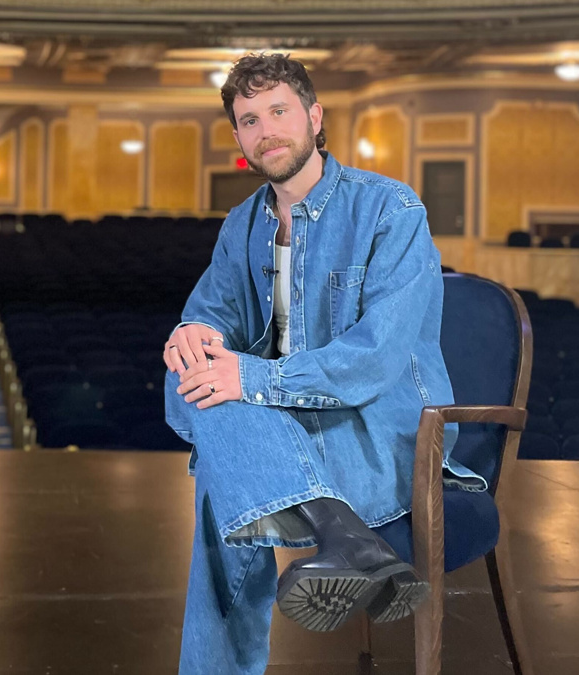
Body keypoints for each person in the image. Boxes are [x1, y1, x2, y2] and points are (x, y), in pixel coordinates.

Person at [161, 53, 485, 674]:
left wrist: (250, 379)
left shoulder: (391, 209)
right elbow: (209, 311)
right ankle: (344, 535)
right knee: (190, 380)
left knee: (222, 455)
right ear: (237, 138)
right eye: (249, 120)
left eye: (279, 111)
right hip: (285, 430)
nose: (266, 130)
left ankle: (337, 532)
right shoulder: (241, 225)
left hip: (377, 438)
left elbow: (376, 361)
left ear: (313, 116)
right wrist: (193, 333)